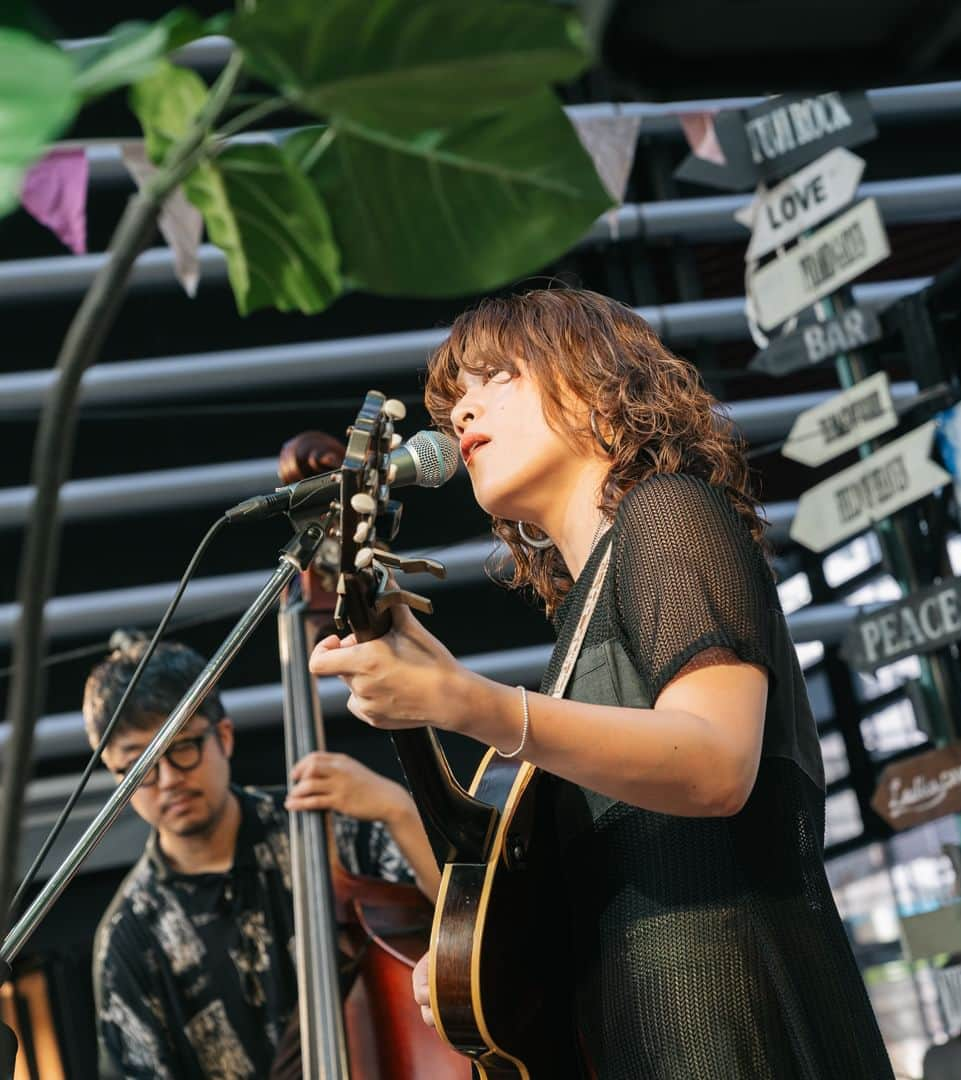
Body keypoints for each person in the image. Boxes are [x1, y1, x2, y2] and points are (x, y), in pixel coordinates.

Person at [309, 287, 895, 1078]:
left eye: (495, 378)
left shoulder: (670, 512)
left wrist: (469, 703)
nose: (461, 413)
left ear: (593, 382)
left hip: (738, 1034)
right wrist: (483, 973)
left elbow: (716, 763)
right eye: (455, 398)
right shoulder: (580, 631)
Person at [86, 633, 439, 1080]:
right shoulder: (129, 936)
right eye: (140, 767)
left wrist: (399, 809)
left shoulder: (328, 828)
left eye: (182, 748)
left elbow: (464, 917)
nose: (169, 779)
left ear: (225, 737)